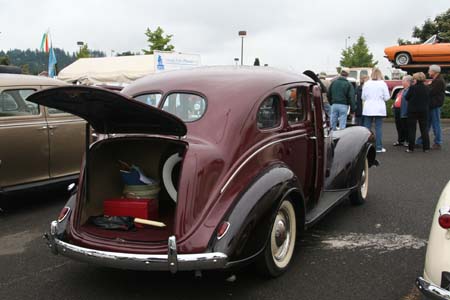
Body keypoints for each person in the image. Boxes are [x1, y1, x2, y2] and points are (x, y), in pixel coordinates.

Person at [362, 68, 390, 153]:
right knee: (378, 128)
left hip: (368, 108)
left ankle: (365, 147)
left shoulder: (366, 83)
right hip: (379, 108)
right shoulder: (383, 84)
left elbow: (363, 97)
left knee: (367, 128)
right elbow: (387, 97)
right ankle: (378, 147)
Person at [405, 72, 430, 153]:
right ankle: (426, 148)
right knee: (424, 129)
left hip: (412, 110)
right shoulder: (427, 88)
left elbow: (407, 97)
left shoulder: (412, 88)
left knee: (412, 129)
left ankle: (411, 148)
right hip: (424, 110)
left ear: (416, 79)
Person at [393, 75, 412, 146]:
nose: (402, 82)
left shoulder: (410, 90)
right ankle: (400, 140)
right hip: (397, 109)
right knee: (399, 125)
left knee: (405, 126)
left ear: (408, 82)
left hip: (404, 110)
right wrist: (394, 104)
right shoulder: (402, 90)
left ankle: (407, 140)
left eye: (403, 81)